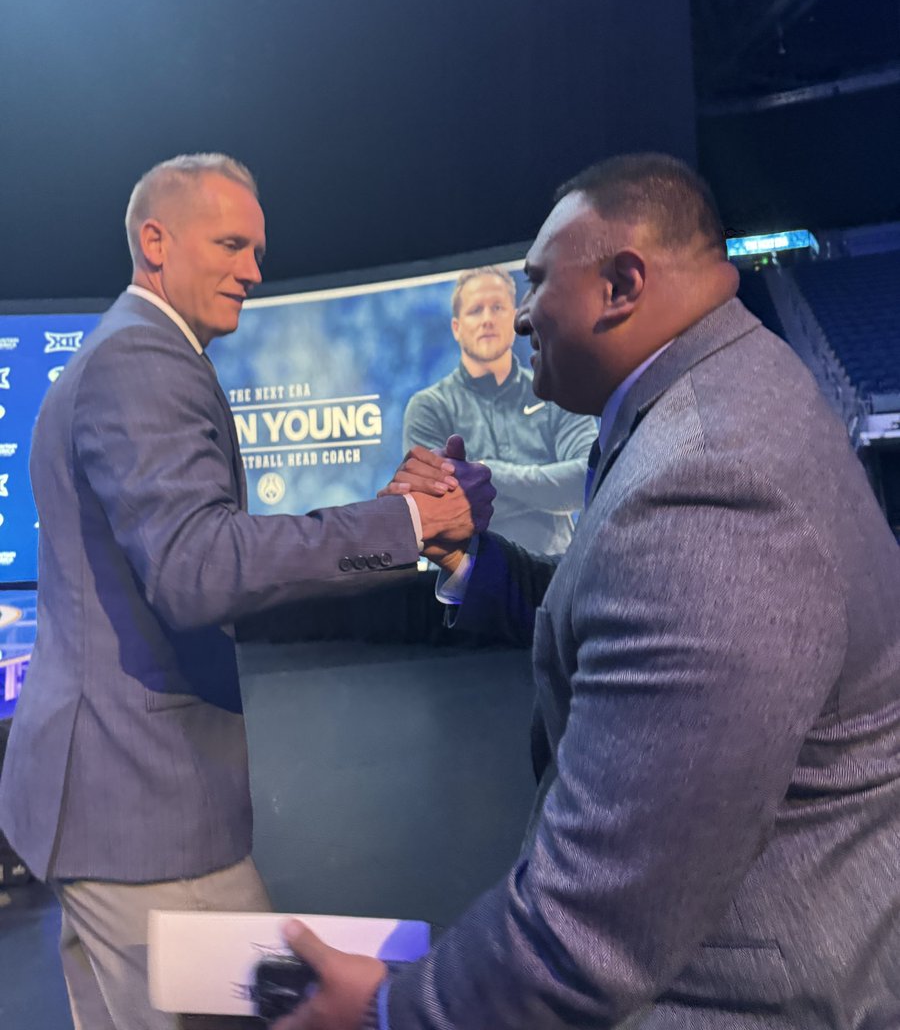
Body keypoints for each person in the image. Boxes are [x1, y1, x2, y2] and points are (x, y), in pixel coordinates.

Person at [274, 153, 900, 1028]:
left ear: (620, 285)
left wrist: (387, 1013)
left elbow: (588, 934)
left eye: (533, 285)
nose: (523, 315)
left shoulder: (712, 484)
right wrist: (468, 556)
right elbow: (626, 617)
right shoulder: (717, 390)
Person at [0, 154, 493, 1030]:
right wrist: (409, 525)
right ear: (155, 242)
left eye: (257, 249)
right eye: (232, 244)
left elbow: (201, 552)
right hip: (144, 814)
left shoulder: (134, 351)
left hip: (104, 805)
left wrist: (390, 520)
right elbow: (199, 569)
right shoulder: (143, 361)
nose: (256, 271)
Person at [402, 265, 596, 555]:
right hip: (466, 585)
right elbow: (439, 509)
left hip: (555, 580)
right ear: (457, 327)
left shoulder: (555, 391)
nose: (487, 319)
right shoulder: (429, 407)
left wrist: (485, 471)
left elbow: (585, 479)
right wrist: (546, 489)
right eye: (476, 310)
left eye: (497, 307)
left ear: (515, 316)